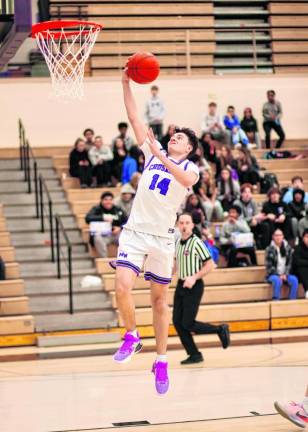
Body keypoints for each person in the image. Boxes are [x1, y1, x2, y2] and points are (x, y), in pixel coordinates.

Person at [112, 69, 200, 395]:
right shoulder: (152, 153)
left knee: (159, 302)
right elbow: (134, 116)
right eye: (172, 135)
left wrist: (162, 154)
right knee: (122, 285)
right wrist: (125, 83)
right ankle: (132, 336)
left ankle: (161, 360)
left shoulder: (189, 167)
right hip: (135, 232)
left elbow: (186, 181)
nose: (173, 137)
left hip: (162, 239)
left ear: (189, 149)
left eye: (180, 138)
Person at [173, 213, 230, 365]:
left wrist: (194, 277)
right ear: (178, 225)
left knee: (188, 323)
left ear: (192, 225)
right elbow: (176, 264)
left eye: (187, 223)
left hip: (194, 286)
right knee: (177, 322)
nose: (184, 226)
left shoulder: (197, 242)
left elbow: (210, 264)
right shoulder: (178, 242)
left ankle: (220, 329)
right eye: (181, 223)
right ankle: (194, 354)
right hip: (181, 285)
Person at [85, 192, 127, 258]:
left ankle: (124, 259)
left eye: (110, 199)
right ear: (101, 201)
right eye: (106, 199)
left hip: (116, 234)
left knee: (125, 237)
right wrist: (102, 218)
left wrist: (120, 228)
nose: (108, 202)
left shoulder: (117, 209)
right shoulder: (96, 209)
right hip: (103, 235)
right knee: (97, 238)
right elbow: (87, 218)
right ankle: (104, 260)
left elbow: (126, 221)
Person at [234, 183, 270, 250]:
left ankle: (265, 248)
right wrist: (253, 218)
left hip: (253, 223)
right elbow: (240, 219)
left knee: (266, 226)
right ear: (241, 194)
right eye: (245, 192)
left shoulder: (253, 202)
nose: (247, 194)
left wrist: (256, 219)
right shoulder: (237, 203)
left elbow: (256, 214)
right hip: (241, 225)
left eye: (249, 192)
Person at [265, 229, 298, 300]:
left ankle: (292, 300)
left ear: (283, 236)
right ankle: (276, 300)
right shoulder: (269, 249)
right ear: (273, 237)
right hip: (273, 274)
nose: (278, 237)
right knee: (277, 280)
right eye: (276, 235)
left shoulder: (288, 248)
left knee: (294, 280)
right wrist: (278, 275)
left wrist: (285, 274)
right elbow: (269, 266)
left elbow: (290, 263)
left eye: (280, 235)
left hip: (286, 274)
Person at [293, 229, 308, 298]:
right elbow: (297, 261)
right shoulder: (298, 248)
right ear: (303, 238)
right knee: (302, 268)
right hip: (299, 273)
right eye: (307, 237)